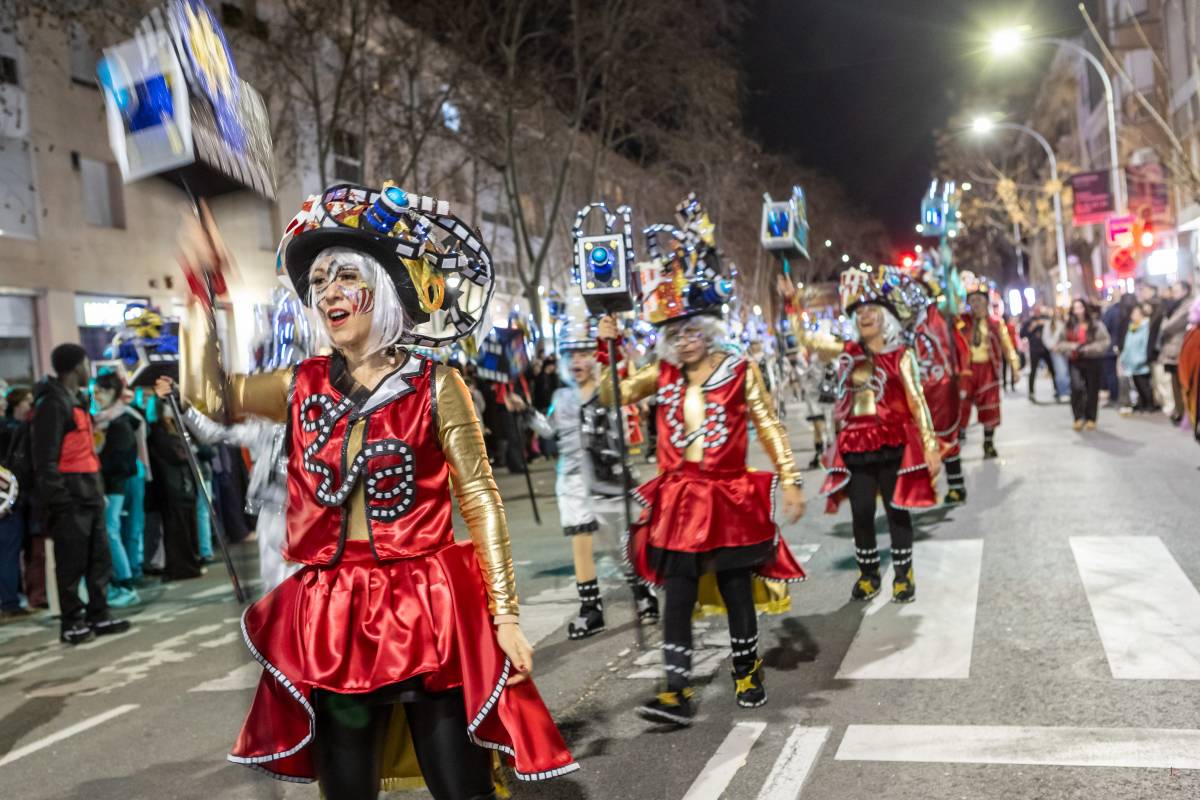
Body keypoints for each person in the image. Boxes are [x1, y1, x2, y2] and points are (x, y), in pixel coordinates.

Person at [178, 185, 575, 797]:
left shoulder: (438, 386)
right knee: (346, 789)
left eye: (345, 276)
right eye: (319, 282)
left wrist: (506, 616)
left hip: (426, 609)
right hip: (333, 617)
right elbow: (209, 396)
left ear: (385, 287)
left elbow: (481, 499)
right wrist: (201, 291)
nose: (328, 292)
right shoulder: (299, 384)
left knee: (461, 787)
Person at [599, 197, 806, 726]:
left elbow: (768, 425)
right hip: (679, 498)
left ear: (709, 332)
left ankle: (745, 670)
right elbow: (609, 394)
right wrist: (609, 348)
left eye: (694, 332)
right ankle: (676, 690)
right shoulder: (661, 374)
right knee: (678, 595)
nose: (686, 342)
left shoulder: (739, 370)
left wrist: (791, 478)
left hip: (728, 494)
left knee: (737, 588)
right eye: (677, 334)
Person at [792, 267, 940, 602]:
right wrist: (792, 303)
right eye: (859, 312)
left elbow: (917, 401)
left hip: (893, 443)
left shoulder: (902, 356)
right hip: (857, 443)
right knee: (860, 511)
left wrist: (930, 446)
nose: (864, 316)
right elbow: (808, 341)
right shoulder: (847, 352)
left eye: (871, 310)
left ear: (885, 316)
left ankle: (904, 575)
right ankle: (869, 574)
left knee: (896, 509)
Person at [529, 292, 658, 640]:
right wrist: (526, 414)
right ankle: (591, 609)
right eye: (570, 354)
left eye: (584, 353)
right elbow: (550, 431)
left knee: (621, 545)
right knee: (581, 544)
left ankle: (643, 594)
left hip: (607, 480)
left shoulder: (608, 390)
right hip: (571, 483)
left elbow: (623, 428)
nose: (576, 362)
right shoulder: (560, 397)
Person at [31, 343, 131, 644]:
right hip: (70, 493)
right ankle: (72, 621)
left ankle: (99, 615)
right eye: (87, 364)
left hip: (90, 489)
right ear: (77, 366)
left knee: (98, 556)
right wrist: (59, 498)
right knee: (71, 560)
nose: (90, 369)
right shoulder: (52, 403)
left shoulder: (76, 399)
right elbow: (44, 458)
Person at [955, 272, 1021, 459]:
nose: (975, 304)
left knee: (990, 406)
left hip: (987, 370)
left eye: (979, 300)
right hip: (967, 370)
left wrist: (1015, 367)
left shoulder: (994, 323)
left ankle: (988, 443)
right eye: (972, 301)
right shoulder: (962, 322)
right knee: (962, 404)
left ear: (985, 302)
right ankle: (959, 440)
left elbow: (1007, 346)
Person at [92, 372, 143, 607]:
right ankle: (120, 582)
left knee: (112, 532)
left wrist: (101, 467)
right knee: (110, 532)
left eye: (99, 392)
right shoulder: (103, 420)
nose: (96, 397)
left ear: (111, 392)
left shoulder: (120, 422)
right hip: (108, 484)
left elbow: (122, 461)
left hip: (114, 485)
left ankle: (126, 583)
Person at [146, 394, 205, 581]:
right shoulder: (158, 431)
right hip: (171, 488)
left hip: (181, 485)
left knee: (185, 529)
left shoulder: (170, 429)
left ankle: (188, 565)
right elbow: (176, 454)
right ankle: (181, 568)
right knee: (176, 530)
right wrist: (187, 449)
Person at [1057, 299, 1112, 431]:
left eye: (1080, 307)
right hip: (1075, 360)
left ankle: (1091, 418)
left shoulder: (1096, 325)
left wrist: (1089, 348)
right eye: (1075, 308)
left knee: (1092, 389)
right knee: (1076, 387)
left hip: (1092, 359)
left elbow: (1105, 341)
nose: (1078, 310)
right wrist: (1073, 347)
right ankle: (1078, 417)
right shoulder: (1068, 326)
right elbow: (1060, 343)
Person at [1159, 281, 1195, 425]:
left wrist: (1165, 322)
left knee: (1184, 384)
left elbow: (1168, 326)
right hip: (1174, 351)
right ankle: (1180, 412)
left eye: (1176, 290)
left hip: (1182, 350)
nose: (1173, 294)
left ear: (1185, 291)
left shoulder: (1188, 305)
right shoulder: (1175, 306)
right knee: (1175, 383)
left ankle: (1187, 414)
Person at [1020, 305, 1060, 403]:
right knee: (1033, 371)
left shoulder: (1045, 319)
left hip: (1045, 348)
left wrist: (1044, 323)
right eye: (1036, 310)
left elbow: (1054, 327)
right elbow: (1022, 334)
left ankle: (1057, 390)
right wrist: (1032, 327)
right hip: (1035, 350)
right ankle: (1031, 392)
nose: (1037, 312)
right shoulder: (1029, 322)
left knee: (1052, 369)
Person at [1120, 303, 1155, 412]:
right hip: (1131, 362)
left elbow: (1145, 345)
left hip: (1140, 362)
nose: (1134, 316)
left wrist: (1142, 359)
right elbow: (1127, 344)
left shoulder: (1145, 327)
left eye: (1136, 313)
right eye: (1133, 313)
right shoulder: (1132, 327)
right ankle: (1142, 403)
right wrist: (1124, 358)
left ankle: (1149, 404)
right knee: (1136, 385)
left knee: (1144, 385)